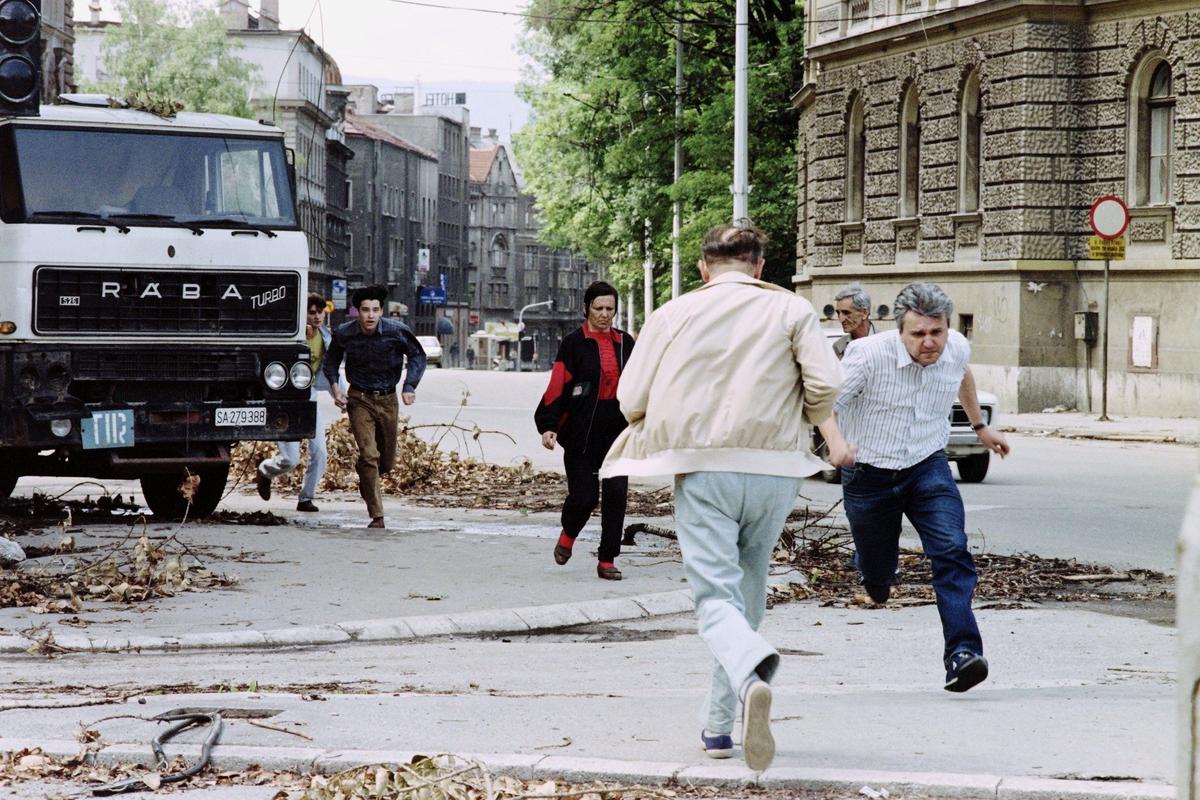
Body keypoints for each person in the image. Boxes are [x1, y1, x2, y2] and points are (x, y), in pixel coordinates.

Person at [599, 221, 851, 771]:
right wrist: (802, 412)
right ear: (760, 267)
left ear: (703, 267)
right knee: (748, 591)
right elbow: (827, 386)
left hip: (703, 466)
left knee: (715, 598)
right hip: (774, 468)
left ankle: (753, 666)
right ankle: (719, 726)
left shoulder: (673, 314)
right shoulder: (790, 310)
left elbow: (631, 396)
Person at [834, 282, 1010, 693]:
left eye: (938, 332)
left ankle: (963, 653)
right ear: (900, 330)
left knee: (951, 550)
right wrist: (836, 443)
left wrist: (980, 427)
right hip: (868, 474)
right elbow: (824, 404)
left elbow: (961, 373)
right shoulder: (867, 356)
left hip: (927, 467)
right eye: (919, 334)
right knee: (878, 574)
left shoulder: (956, 347)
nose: (930, 343)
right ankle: (874, 574)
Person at [534, 281, 636, 581]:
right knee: (584, 496)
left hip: (617, 431)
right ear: (586, 308)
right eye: (598, 308)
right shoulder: (573, 343)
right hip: (581, 432)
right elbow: (557, 386)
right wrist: (549, 425)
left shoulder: (625, 343)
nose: (604, 314)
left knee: (616, 494)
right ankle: (568, 535)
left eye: (609, 309)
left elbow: (640, 384)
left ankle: (607, 559)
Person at [323, 286, 427, 529]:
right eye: (365, 310)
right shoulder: (344, 333)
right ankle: (377, 515)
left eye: (375, 310)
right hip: (359, 398)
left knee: (386, 463)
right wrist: (336, 390)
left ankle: (366, 476)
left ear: (382, 311)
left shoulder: (396, 331)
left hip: (388, 399)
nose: (370, 316)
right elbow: (331, 362)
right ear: (356, 312)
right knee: (369, 455)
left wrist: (409, 385)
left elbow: (417, 356)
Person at [256, 294, 338, 511]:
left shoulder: (326, 338)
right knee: (291, 459)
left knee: (320, 451)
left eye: (320, 312)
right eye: (312, 313)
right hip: (286, 400)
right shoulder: (292, 337)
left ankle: (306, 498)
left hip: (310, 397)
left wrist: (340, 395)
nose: (317, 317)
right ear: (303, 314)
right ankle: (265, 470)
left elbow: (330, 370)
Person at [832, 282, 876, 359]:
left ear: (864, 313)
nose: (841, 319)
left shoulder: (886, 342)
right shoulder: (839, 347)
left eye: (846, 313)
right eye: (838, 313)